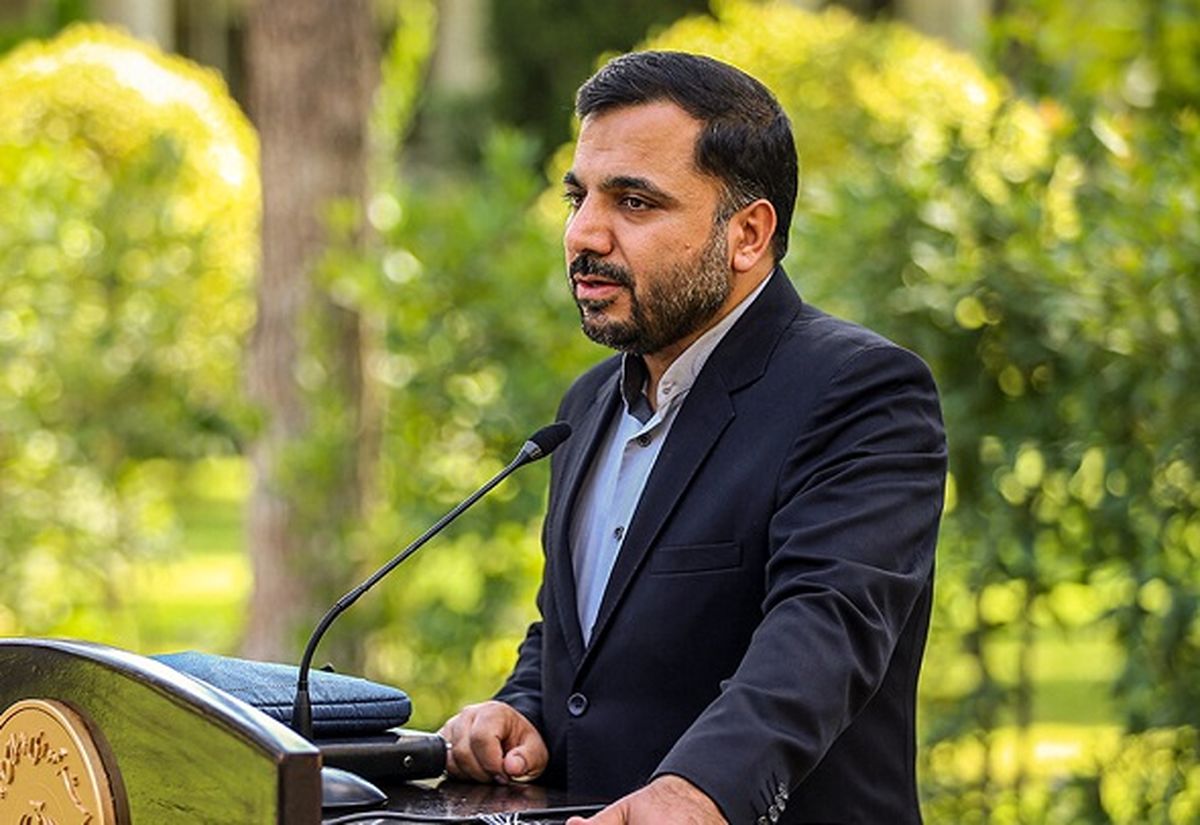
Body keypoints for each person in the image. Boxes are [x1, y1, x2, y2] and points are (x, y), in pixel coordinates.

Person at [438, 51, 947, 825]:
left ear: (747, 233)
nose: (584, 233)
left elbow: (825, 630)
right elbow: (583, 639)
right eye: (578, 197)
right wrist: (522, 711)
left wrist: (702, 789)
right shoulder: (587, 406)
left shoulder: (860, 392)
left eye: (634, 202)